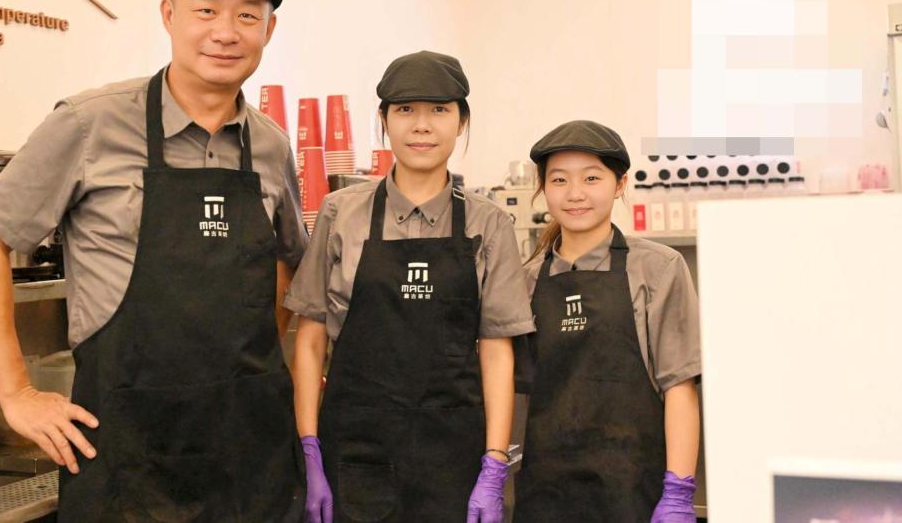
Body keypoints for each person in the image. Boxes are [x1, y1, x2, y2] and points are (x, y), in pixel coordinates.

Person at [0, 0, 306, 522]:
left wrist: (245, 361)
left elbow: (288, 258)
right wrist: (16, 395)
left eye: (247, 15)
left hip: (248, 454)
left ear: (268, 30)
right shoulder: (89, 123)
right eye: (206, 10)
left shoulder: (270, 145)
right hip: (127, 456)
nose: (225, 32)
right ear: (168, 16)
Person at [286, 51, 535, 523]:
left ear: (462, 121)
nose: (422, 125)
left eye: (439, 109)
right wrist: (310, 447)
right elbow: (311, 337)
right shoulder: (340, 213)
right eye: (405, 110)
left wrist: (494, 462)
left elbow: (496, 350)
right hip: (356, 451)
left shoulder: (489, 223)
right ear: (383, 121)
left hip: (453, 456)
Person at [512, 120, 701, 523]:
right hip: (546, 491)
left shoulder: (658, 268)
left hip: (633, 490)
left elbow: (680, 387)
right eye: (559, 180)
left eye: (592, 178)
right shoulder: (524, 281)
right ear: (543, 188)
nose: (575, 193)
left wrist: (679, 491)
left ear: (620, 184)